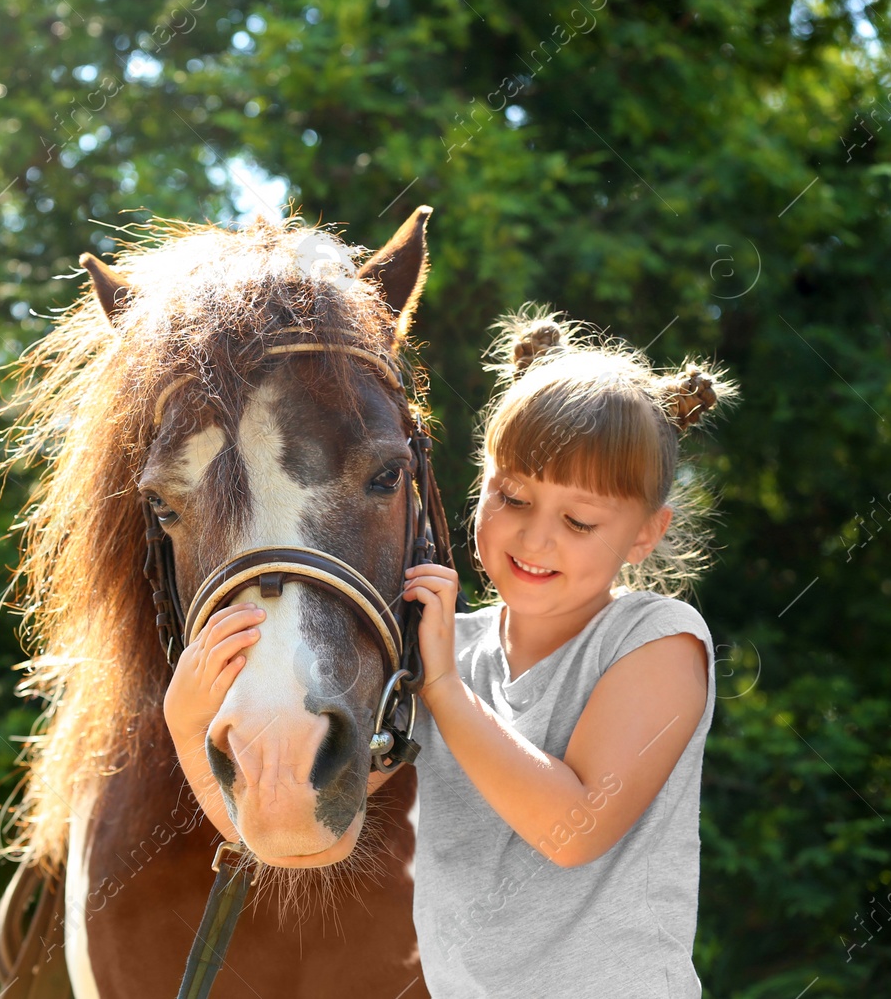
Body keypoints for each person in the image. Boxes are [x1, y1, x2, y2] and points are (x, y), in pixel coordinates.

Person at [164, 305, 736, 997]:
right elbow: (293, 828)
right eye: (513, 497)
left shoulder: (659, 640)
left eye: (578, 519)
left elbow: (572, 830)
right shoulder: (448, 650)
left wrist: (443, 689)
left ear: (646, 533)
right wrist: (187, 725)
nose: (535, 538)